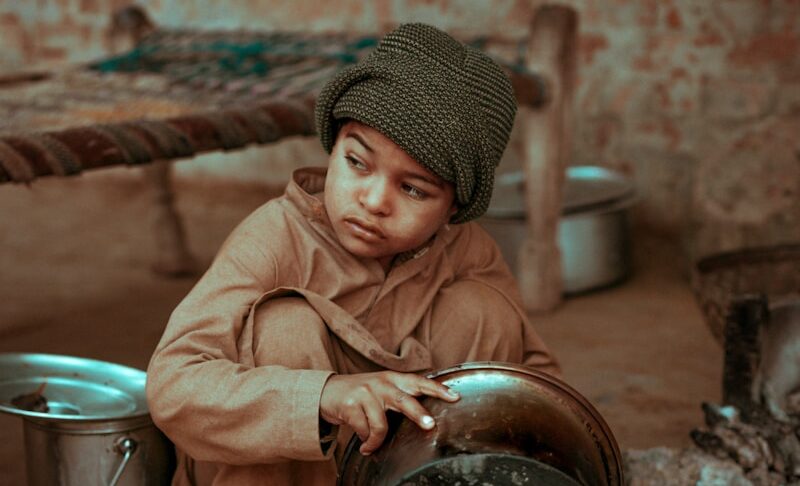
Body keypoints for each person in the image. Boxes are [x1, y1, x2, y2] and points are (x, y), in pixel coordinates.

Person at [146, 22, 559, 486]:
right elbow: (172, 386)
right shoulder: (273, 238)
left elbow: (536, 387)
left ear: (453, 210)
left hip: (401, 470)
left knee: (482, 312)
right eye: (357, 162)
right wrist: (322, 396)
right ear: (334, 143)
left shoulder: (467, 251)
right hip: (276, 474)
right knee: (284, 328)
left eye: (413, 189)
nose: (374, 200)